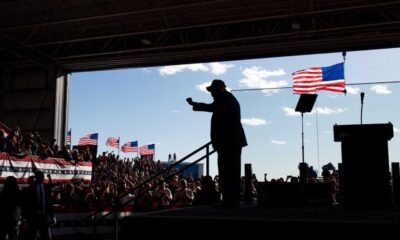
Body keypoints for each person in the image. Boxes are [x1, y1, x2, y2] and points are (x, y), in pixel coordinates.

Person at [186, 79, 247, 208]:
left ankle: (230, 200)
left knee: (228, 171)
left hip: (229, 141)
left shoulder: (225, 98)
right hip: (229, 141)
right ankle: (230, 200)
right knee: (228, 171)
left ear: (219, 89)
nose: (211, 94)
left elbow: (211, 107)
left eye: (213, 91)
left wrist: (194, 104)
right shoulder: (226, 98)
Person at [21, 171, 55, 240]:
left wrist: (53, 216)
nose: (42, 178)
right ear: (36, 178)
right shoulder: (28, 189)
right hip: (33, 218)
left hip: (44, 218)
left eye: (43, 177)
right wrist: (24, 219)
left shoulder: (47, 188)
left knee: (46, 237)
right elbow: (25, 205)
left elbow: (49, 203)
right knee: (31, 236)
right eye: (40, 177)